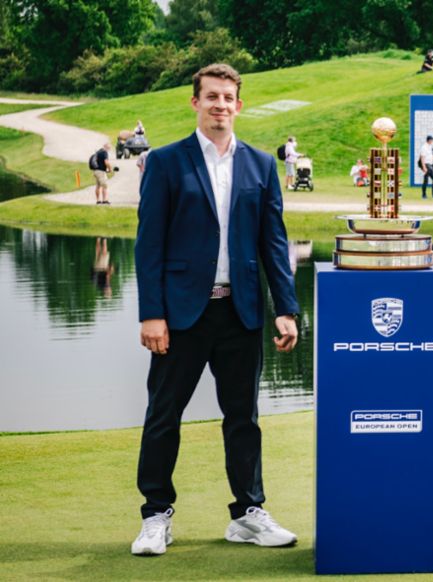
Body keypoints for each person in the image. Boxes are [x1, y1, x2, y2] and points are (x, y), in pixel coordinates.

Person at [131, 63, 299, 557]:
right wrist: (151, 314)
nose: (220, 105)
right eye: (211, 97)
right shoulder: (165, 162)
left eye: (228, 97)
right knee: (164, 416)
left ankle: (248, 513)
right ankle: (155, 515)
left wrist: (286, 309)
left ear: (238, 105)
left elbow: (274, 244)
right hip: (181, 315)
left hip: (241, 313)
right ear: (195, 103)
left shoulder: (261, 165)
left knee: (242, 418)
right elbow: (149, 246)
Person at [419, 135, 433, 199]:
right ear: (429, 140)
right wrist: (424, 167)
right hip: (426, 164)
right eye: (432, 140)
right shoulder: (424, 147)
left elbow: (430, 156)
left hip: (430, 165)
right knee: (426, 180)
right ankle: (424, 194)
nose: (432, 141)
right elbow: (422, 157)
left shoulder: (429, 147)